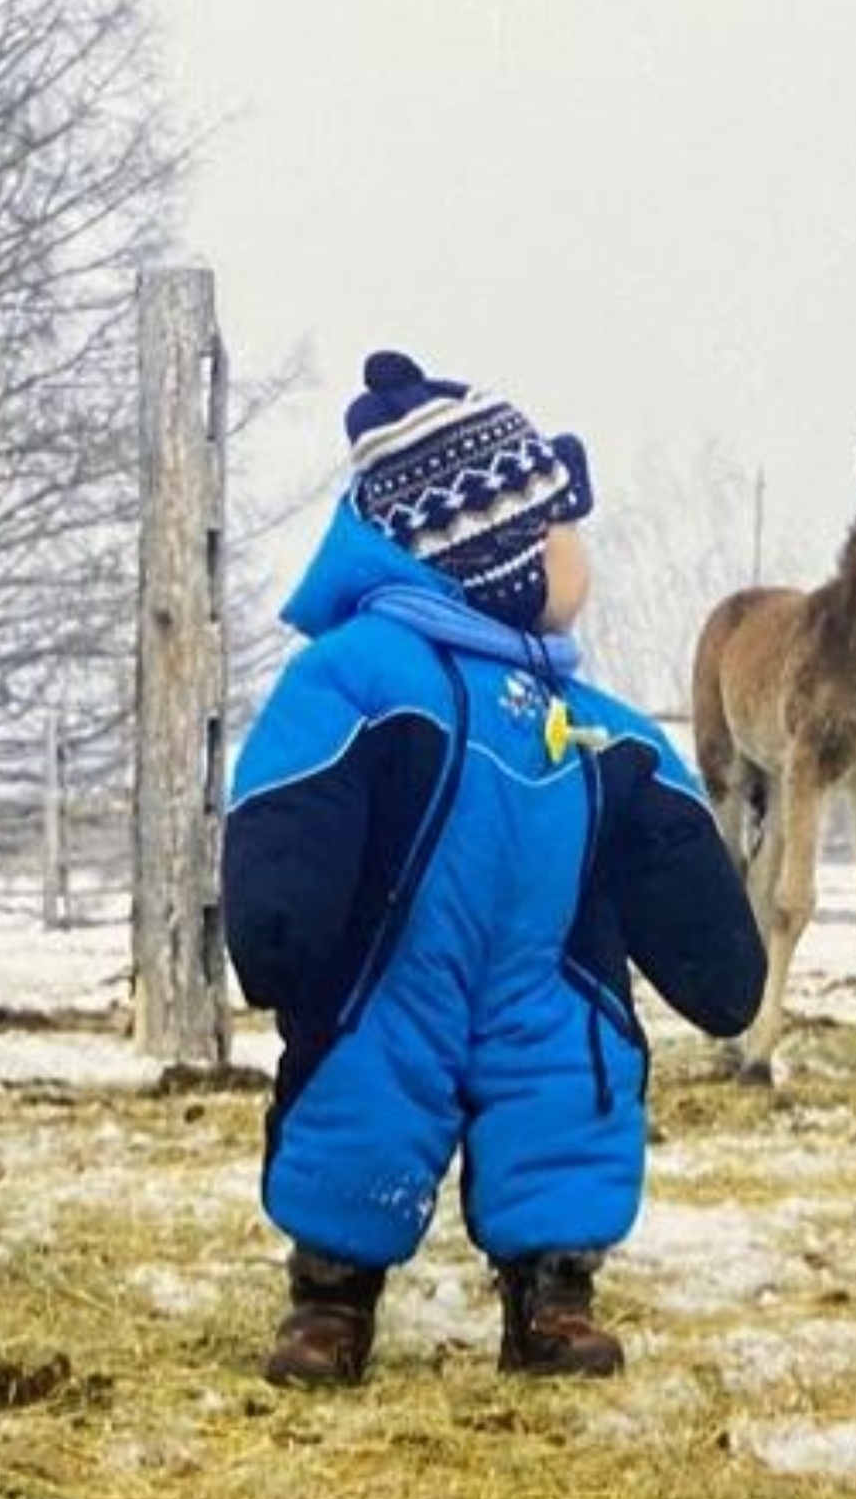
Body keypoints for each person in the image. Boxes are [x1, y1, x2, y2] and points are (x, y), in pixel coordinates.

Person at [223, 350, 766, 1386]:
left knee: (569, 1092)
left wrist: (712, 945)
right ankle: (331, 1299)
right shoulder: (367, 671)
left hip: (549, 971)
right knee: (361, 1095)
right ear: (499, 544)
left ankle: (553, 1297)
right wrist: (281, 920)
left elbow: (663, 816)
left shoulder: (582, 715)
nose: (582, 554)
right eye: (565, 525)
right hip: (394, 966)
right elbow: (293, 776)